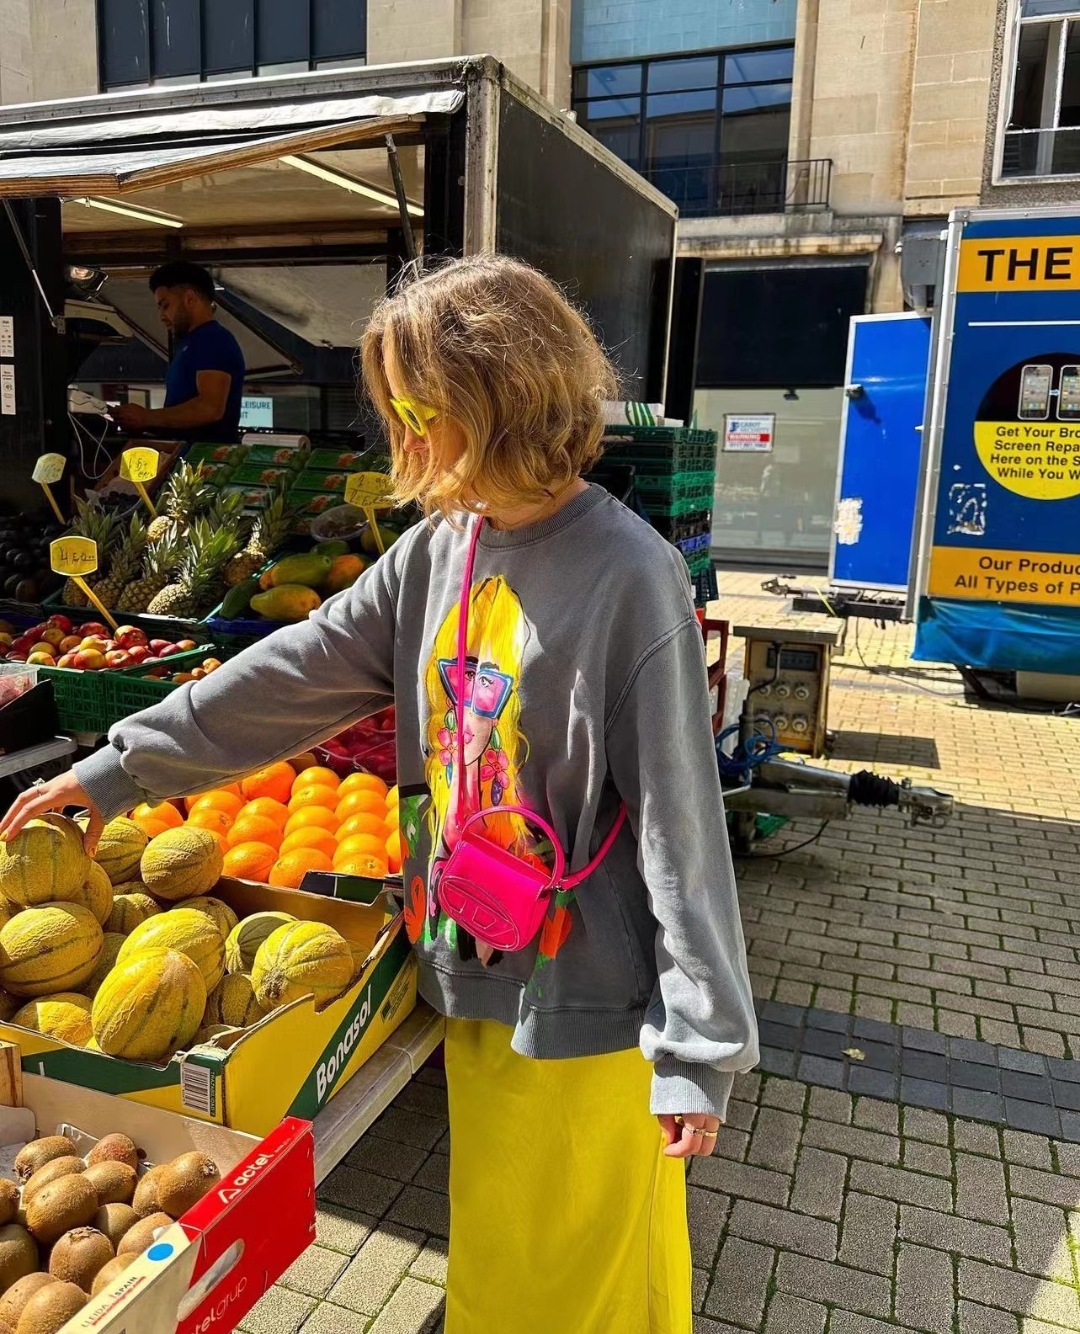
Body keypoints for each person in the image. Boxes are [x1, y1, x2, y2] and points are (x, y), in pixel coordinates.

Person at [2, 255, 758, 1334]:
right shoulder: (444, 547)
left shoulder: (627, 575)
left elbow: (684, 825)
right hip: (475, 964)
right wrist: (118, 766)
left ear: (496, 398)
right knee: (507, 1261)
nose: (398, 435)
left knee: (578, 1282)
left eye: (416, 406)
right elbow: (294, 670)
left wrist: (698, 1046)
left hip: (590, 1005)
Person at [112, 261, 246, 443]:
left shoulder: (213, 340)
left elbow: (209, 408)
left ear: (190, 299)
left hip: (202, 463)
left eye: (165, 305)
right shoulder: (191, 343)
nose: (161, 316)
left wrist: (147, 417)